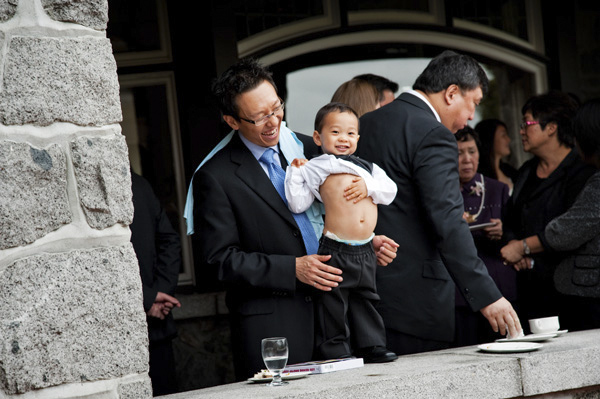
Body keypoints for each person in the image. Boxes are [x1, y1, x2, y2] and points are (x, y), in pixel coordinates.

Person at [187, 58, 398, 380]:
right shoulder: (216, 176)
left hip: (342, 322)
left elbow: (336, 210)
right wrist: (292, 269)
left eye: (276, 108)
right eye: (259, 117)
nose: (273, 122)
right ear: (232, 120)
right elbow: (218, 261)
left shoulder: (314, 147)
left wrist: (365, 242)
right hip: (278, 328)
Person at [355, 50, 522, 356]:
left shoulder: (366, 123)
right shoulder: (434, 134)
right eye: (473, 103)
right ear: (451, 93)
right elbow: (447, 219)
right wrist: (487, 295)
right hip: (415, 303)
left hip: (362, 295)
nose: (472, 115)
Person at [285, 102, 398, 362]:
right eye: (335, 132)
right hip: (335, 246)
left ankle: (372, 345)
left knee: (366, 296)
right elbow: (297, 203)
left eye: (350, 133)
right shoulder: (315, 166)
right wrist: (295, 171)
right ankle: (335, 349)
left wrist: (368, 187)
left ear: (358, 138)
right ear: (318, 137)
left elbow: (389, 191)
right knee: (333, 299)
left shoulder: (369, 169)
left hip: (366, 248)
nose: (343, 139)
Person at [501, 98, 600, 332]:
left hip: (573, 289)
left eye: (527, 123)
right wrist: (514, 244)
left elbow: (568, 230)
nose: (521, 130)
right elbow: (510, 217)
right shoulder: (526, 171)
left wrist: (524, 246)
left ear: (552, 127)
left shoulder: (586, 171)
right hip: (530, 283)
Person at [452, 126, 517, 346]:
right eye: (459, 153)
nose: (467, 159)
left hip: (497, 282)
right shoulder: (443, 192)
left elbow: (516, 232)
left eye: (472, 151)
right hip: (459, 289)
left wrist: (502, 232)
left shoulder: (496, 188)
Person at [130, 171, 182, 396]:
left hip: (152, 329)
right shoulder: (139, 183)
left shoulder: (138, 185)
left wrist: (156, 295)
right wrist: (155, 295)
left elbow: (168, 240)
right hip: (133, 329)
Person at [474, 118, 518, 193]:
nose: (508, 140)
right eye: (503, 135)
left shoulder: (510, 171)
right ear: (489, 139)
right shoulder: (478, 177)